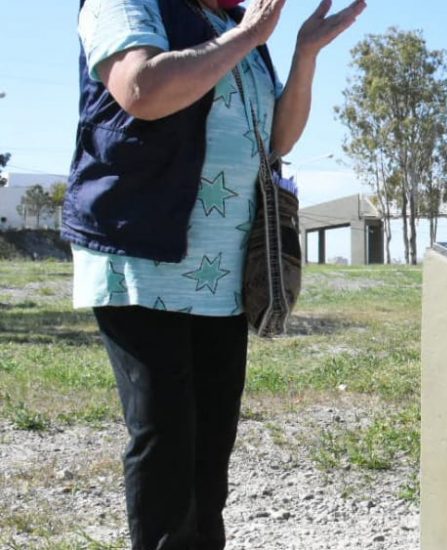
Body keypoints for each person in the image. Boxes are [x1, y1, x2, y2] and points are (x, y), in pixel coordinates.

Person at [64, 0, 364, 547]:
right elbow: (141, 91)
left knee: (210, 450)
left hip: (223, 277)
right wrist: (249, 36)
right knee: (167, 444)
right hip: (144, 261)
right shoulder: (132, 6)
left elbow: (278, 140)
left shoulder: (230, 23)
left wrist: (303, 52)